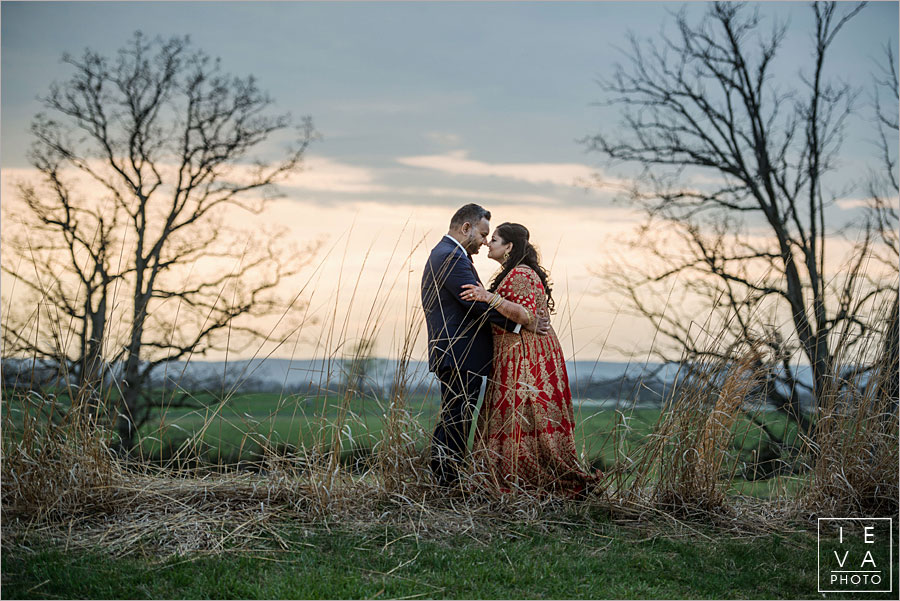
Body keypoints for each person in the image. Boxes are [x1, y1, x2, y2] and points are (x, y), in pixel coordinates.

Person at [460, 222, 602, 495]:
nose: (489, 243)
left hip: (526, 355)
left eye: (495, 239)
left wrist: (486, 296)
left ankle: (525, 480)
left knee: (523, 414)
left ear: (509, 246)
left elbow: (525, 316)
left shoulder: (522, 274)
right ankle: (503, 476)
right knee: (514, 415)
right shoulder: (511, 273)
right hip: (514, 352)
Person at [421, 204, 549, 489]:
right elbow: (474, 303)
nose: (483, 242)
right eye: (482, 234)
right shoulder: (451, 256)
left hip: (458, 353)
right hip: (459, 352)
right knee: (456, 418)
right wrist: (521, 324)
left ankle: (446, 480)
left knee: (457, 416)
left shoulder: (448, 254)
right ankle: (446, 482)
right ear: (466, 228)